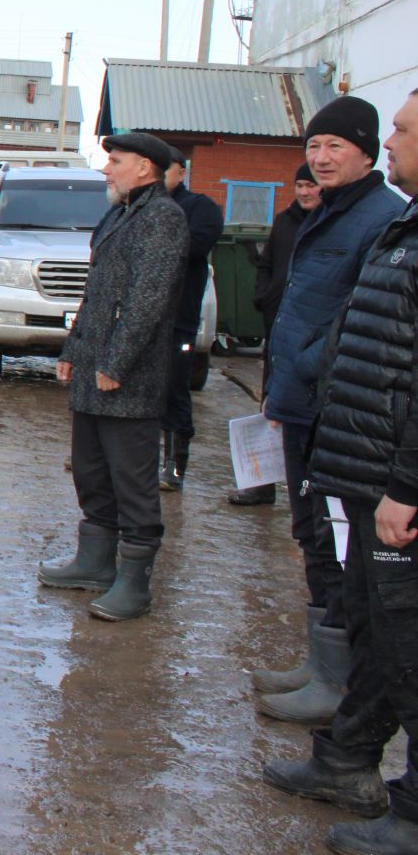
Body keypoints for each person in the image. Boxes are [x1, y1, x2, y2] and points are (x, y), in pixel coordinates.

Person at [263, 89, 418, 848]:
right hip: (354, 444)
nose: (393, 139)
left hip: (384, 463)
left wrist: (405, 485)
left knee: (400, 631)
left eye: (400, 130)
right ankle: (348, 758)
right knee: (368, 612)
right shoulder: (390, 221)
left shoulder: (388, 219)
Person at [38, 132, 188, 622]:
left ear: (145, 168)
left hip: (127, 379)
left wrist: (114, 364)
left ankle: (134, 582)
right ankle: (95, 562)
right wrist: (73, 350)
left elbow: (147, 304)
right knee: (91, 469)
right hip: (92, 370)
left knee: (132, 480)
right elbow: (96, 294)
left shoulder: (163, 219)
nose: (107, 170)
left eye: (115, 162)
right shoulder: (122, 213)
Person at [233, 163, 322, 506]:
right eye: (299, 184)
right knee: (269, 402)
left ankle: (309, 490)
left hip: (311, 336)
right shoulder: (285, 222)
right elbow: (266, 264)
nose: (304, 192)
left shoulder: (326, 223)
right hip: (277, 328)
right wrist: (264, 296)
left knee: (305, 410)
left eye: (310, 185)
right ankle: (261, 482)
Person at [156, 149, 225, 492]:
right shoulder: (138, 207)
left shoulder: (201, 208)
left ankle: (174, 465)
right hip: (141, 318)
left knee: (173, 388)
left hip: (179, 319)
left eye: (164, 171)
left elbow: (194, 246)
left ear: (180, 172)